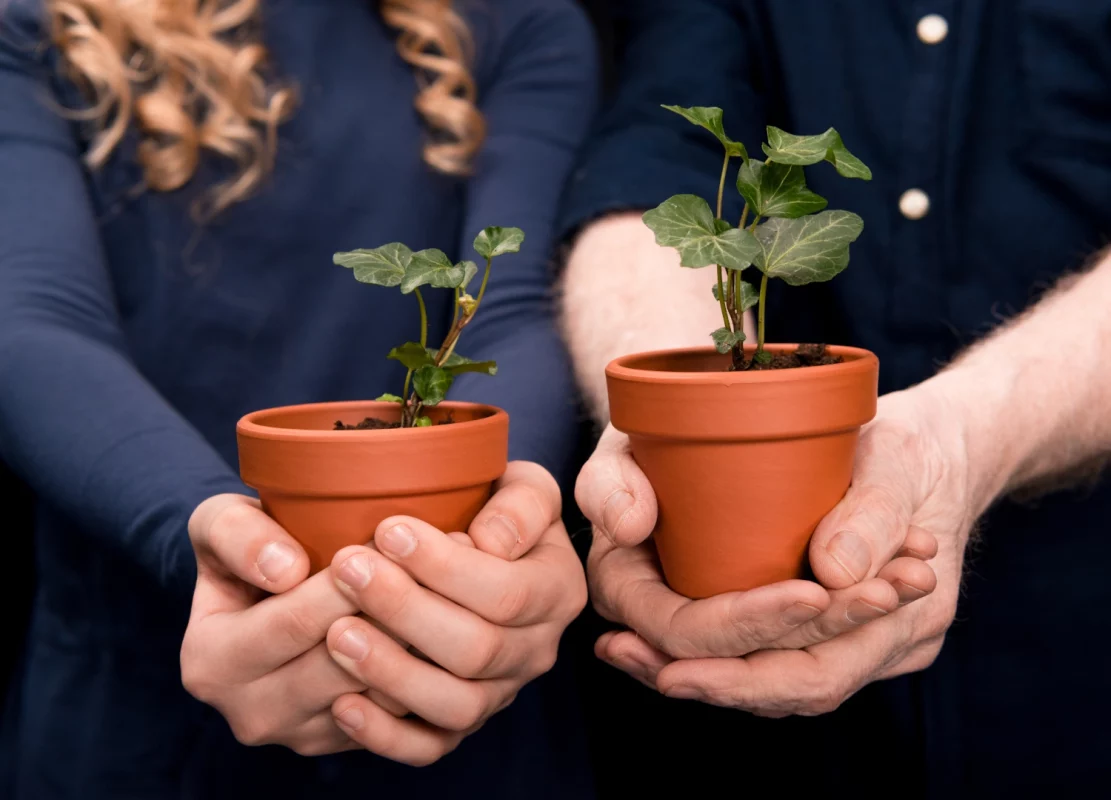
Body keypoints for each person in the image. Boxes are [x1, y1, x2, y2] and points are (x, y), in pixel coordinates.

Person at [0, 0, 597, 797]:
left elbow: (510, 304)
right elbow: (33, 322)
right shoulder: (38, 25)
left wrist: (499, 525)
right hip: (139, 691)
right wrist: (216, 534)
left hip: (452, 666)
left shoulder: (512, 20)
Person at [560, 1, 1111, 795]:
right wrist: (655, 409)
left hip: (1073, 661)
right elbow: (653, 158)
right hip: (733, 741)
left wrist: (967, 434)